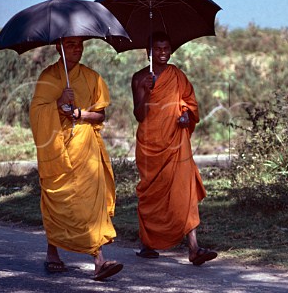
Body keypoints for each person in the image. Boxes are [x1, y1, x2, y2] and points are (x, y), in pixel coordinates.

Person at [29, 36, 123, 281]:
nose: (77, 49)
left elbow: (101, 115)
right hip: (57, 148)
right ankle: (53, 252)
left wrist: (80, 113)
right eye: (71, 45)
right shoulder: (48, 78)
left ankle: (99, 260)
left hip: (85, 146)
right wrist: (59, 103)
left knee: (89, 202)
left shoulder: (92, 77)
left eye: (80, 45)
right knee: (57, 198)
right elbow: (37, 113)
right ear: (58, 48)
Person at [131, 32, 218, 266]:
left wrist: (185, 116)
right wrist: (147, 91)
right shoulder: (140, 77)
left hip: (176, 142)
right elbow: (139, 115)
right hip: (150, 144)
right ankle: (147, 243)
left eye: (166, 48)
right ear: (148, 52)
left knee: (185, 192)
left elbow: (190, 105)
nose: (162, 53)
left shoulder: (177, 75)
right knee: (151, 194)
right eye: (157, 49)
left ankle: (194, 248)